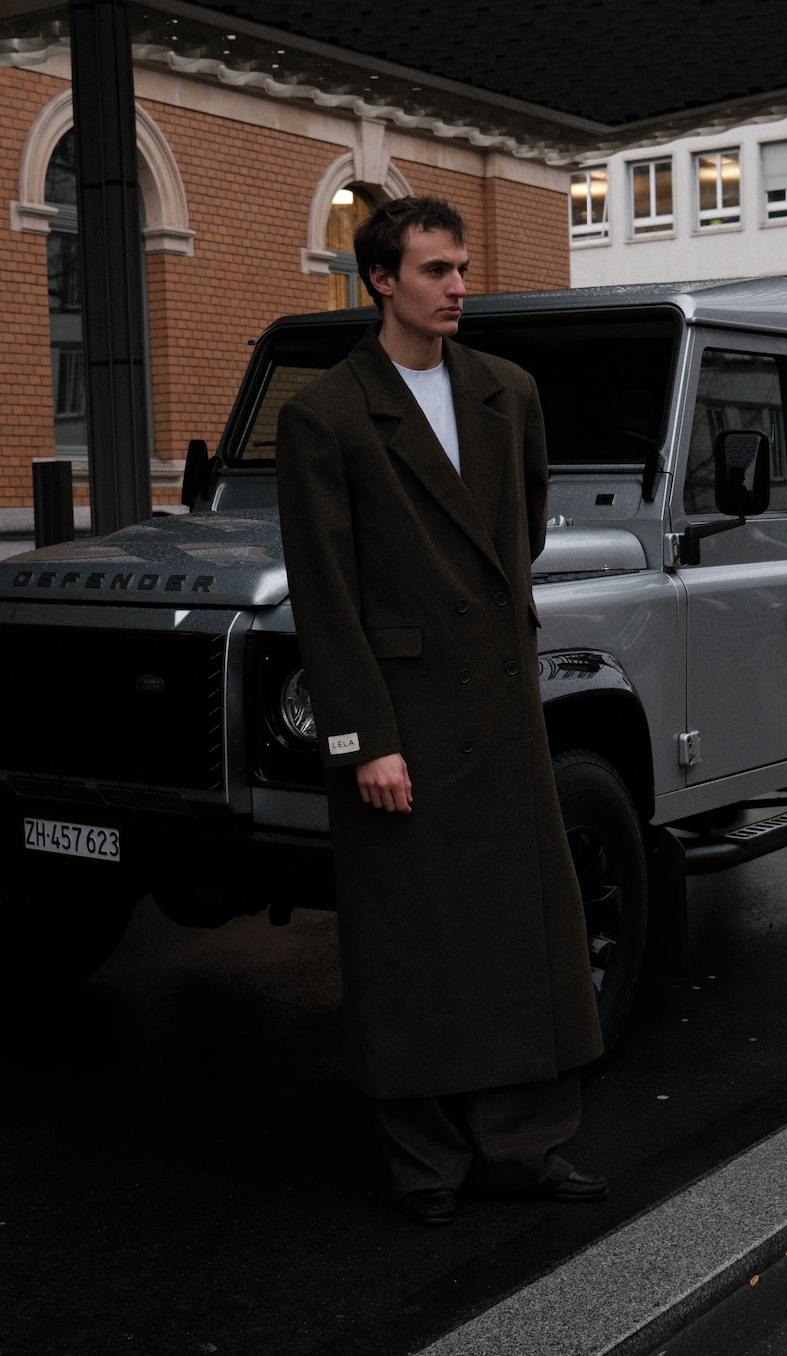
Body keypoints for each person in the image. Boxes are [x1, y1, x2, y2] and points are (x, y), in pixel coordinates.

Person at [276, 196, 605, 1225]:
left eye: (461, 267)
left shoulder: (510, 391)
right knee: (410, 944)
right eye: (434, 270)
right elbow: (324, 596)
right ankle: (427, 1167)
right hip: (400, 725)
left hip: (501, 708)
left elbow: (525, 527)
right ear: (380, 280)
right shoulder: (323, 413)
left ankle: (528, 1151)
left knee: (523, 934)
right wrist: (364, 739)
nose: (457, 285)